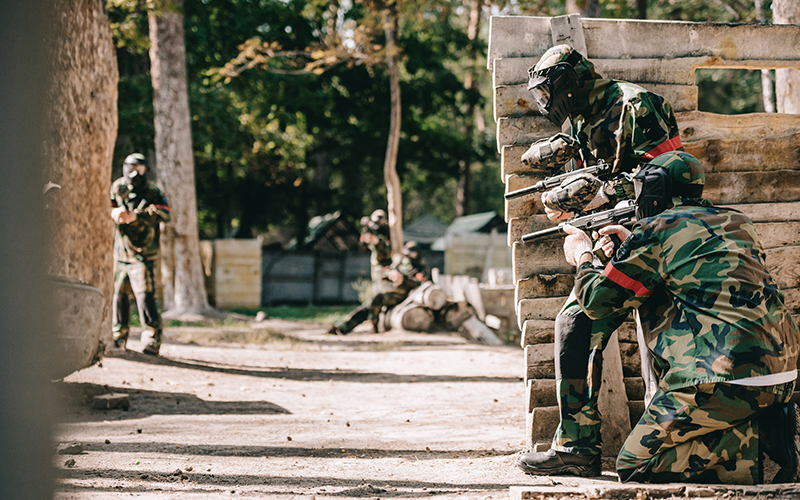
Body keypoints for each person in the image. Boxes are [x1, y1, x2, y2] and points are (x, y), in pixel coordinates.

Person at [525, 151, 800, 484]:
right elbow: (689, 263)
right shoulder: (738, 222)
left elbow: (597, 303)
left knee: (634, 466)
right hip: (783, 373)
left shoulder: (656, 228)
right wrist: (633, 248)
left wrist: (582, 254)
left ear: (655, 190)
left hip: (719, 378)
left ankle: (743, 460)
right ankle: (757, 437)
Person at [516, 44, 685, 476]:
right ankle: (578, 447)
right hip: (613, 239)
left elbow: (670, 176)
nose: (545, 103)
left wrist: (606, 194)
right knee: (575, 321)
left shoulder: (636, 105)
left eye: (547, 93)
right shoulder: (580, 121)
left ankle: (665, 451)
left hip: (660, 241)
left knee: (660, 346)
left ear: (568, 85)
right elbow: (588, 176)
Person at [110, 153, 171, 355]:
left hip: (144, 253)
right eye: (130, 166)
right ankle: (119, 337)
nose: (134, 171)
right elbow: (106, 206)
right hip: (121, 253)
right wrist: (115, 213)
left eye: (139, 167)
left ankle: (152, 338)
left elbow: (165, 213)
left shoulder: (152, 191)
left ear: (145, 169)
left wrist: (139, 215)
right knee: (119, 297)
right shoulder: (118, 187)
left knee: (145, 297)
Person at [328, 241, 429, 335]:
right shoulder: (402, 263)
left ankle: (373, 324)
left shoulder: (422, 267)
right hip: (394, 292)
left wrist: (406, 279)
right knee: (368, 307)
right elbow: (388, 271)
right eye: (409, 253)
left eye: (413, 253)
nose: (410, 255)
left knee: (377, 299)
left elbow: (421, 284)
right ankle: (342, 327)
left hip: (407, 297)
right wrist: (392, 274)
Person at [360, 209, 393, 294]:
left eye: (379, 222)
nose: (377, 224)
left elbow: (389, 247)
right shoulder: (370, 229)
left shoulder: (388, 230)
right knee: (377, 286)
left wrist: (379, 242)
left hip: (388, 261)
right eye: (376, 222)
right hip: (377, 262)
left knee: (388, 285)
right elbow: (362, 245)